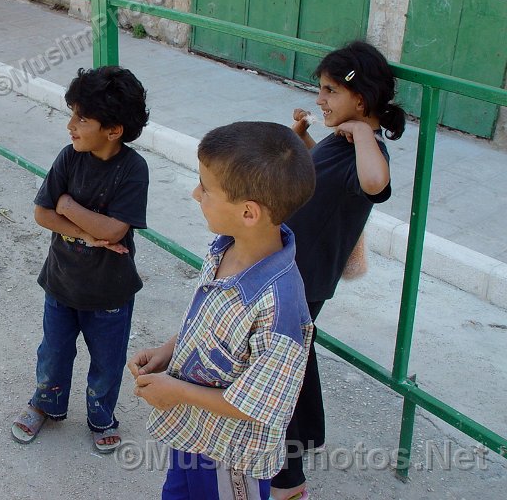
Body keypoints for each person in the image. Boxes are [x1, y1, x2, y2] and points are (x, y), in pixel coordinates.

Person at [129, 121, 316, 500]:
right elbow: (209, 324)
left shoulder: (279, 308)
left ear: (248, 212)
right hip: (197, 433)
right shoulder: (224, 249)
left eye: (206, 188)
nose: (196, 193)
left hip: (231, 456)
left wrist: (176, 391)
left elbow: (260, 405)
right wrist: (168, 351)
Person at [270, 41, 407, 500]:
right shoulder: (339, 140)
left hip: (304, 277)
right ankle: (303, 436)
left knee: (281, 368)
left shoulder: (365, 149)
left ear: (360, 99)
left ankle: (289, 483)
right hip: (287, 268)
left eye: (329, 90)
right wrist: (306, 138)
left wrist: (365, 134)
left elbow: (372, 184)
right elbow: (322, 179)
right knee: (292, 358)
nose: (320, 99)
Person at [11, 66, 150, 452]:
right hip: (60, 282)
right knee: (53, 351)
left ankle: (101, 415)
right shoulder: (69, 157)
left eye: (81, 118)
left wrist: (68, 205)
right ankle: (45, 404)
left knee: (107, 361)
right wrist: (88, 232)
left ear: (113, 130)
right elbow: (42, 214)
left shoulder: (133, 169)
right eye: (72, 114)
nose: (70, 125)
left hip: (110, 293)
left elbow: (115, 231)